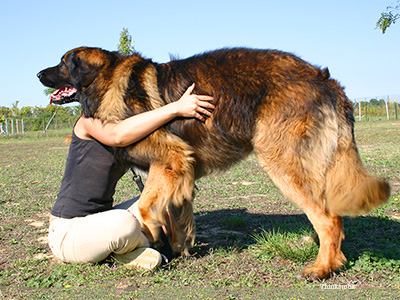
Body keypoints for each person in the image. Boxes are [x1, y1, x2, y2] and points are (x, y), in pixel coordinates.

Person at [48, 84, 214, 270]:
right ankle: (135, 247)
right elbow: (117, 136)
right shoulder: (88, 119)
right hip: (67, 230)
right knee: (125, 225)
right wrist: (176, 108)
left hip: (100, 219)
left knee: (165, 197)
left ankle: (136, 245)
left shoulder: (127, 123)